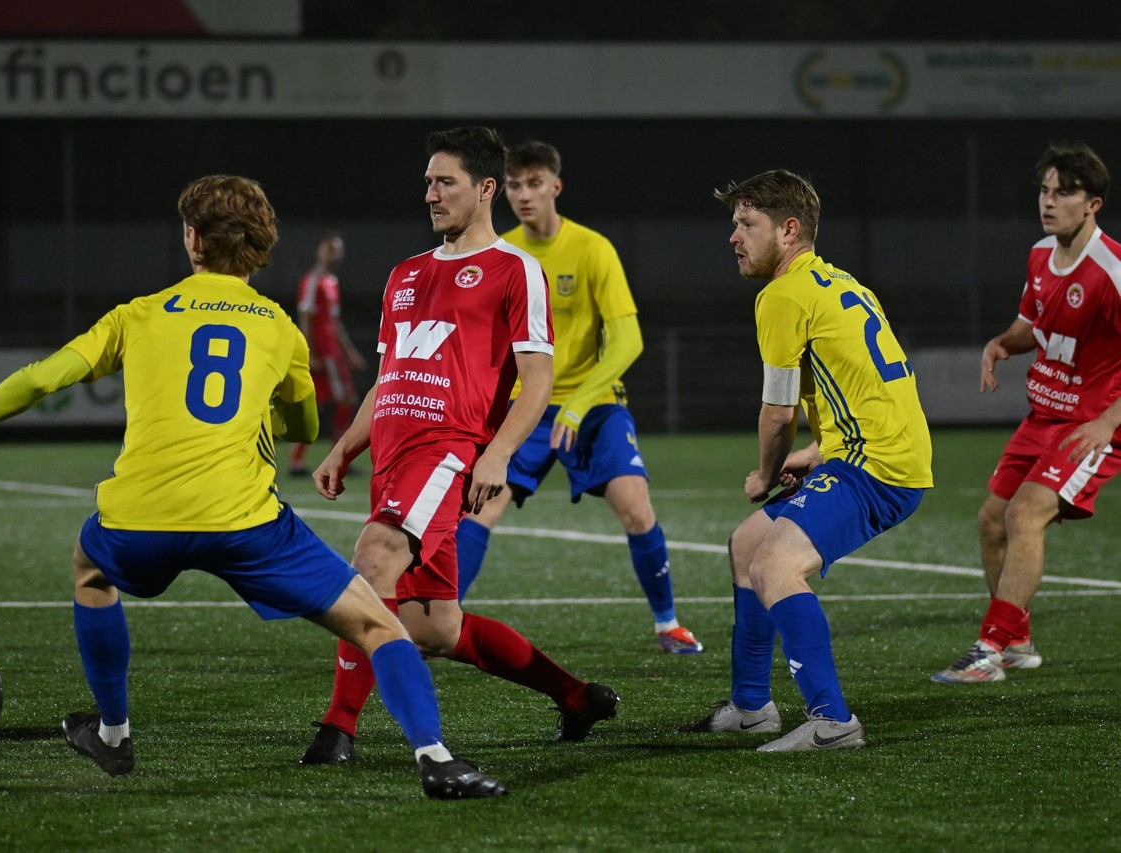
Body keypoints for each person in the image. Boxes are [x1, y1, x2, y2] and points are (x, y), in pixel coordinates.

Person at [0, 174, 506, 799]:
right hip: (245, 525)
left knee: (90, 569)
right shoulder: (278, 327)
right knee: (380, 628)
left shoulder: (139, 314)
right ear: (260, 246)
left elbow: (41, 379)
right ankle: (435, 759)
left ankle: (111, 733)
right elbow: (305, 423)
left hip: (140, 521)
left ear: (191, 239)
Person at [300, 127, 619, 765]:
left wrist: (496, 453)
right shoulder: (406, 274)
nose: (432, 194)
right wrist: (345, 448)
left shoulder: (515, 271)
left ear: (486, 189)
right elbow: (390, 379)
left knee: (374, 558)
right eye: (427, 182)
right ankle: (575, 697)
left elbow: (538, 382)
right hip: (393, 456)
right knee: (434, 628)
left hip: (448, 452)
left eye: (446, 182)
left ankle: (338, 729)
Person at [680, 169, 932, 750]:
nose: (734, 237)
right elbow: (875, 390)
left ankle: (832, 721)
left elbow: (777, 412)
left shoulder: (782, 295)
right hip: (877, 451)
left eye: (747, 224)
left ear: (788, 230)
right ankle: (750, 706)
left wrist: (767, 474)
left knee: (774, 567)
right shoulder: (839, 283)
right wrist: (818, 452)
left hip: (877, 467)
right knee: (747, 546)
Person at [454, 140, 703, 654]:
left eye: (535, 183)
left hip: (591, 405)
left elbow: (628, 340)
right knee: (478, 510)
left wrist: (578, 402)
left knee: (636, 508)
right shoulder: (502, 256)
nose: (524, 195)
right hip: (525, 409)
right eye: (516, 185)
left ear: (555, 187)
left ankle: (667, 624)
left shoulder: (592, 249)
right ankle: (440, 621)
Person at [933, 142, 1121, 683]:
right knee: (992, 520)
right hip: (1042, 418)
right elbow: (1031, 326)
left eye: (1064, 192)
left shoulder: (1111, 270)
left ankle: (989, 647)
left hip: (1090, 426)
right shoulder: (1040, 255)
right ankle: (1016, 640)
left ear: (1093, 204)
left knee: (1024, 514)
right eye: (1045, 190)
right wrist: (1001, 344)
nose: (1049, 201)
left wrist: (1108, 422)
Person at [288, 232, 367, 476]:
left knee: (322, 403)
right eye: (329, 248)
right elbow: (306, 316)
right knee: (344, 399)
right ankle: (337, 458)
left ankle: (299, 462)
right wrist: (309, 352)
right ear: (319, 251)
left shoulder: (331, 281)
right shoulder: (313, 281)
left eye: (337, 249)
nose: (334, 253)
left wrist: (349, 351)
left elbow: (334, 323)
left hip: (333, 352)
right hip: (324, 354)